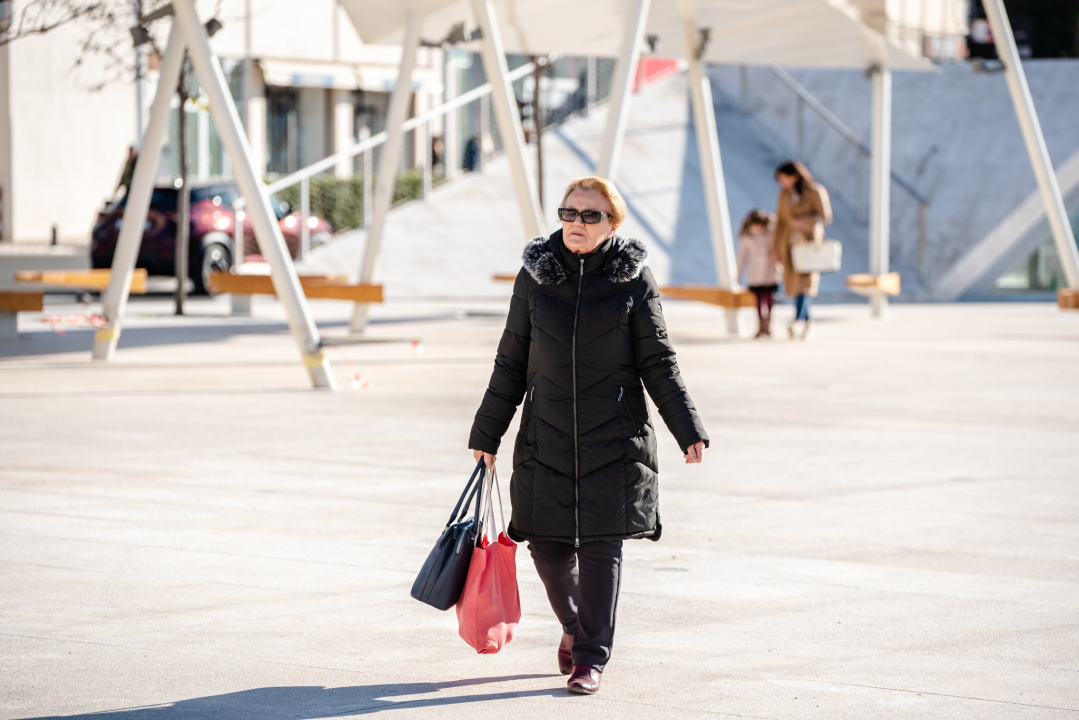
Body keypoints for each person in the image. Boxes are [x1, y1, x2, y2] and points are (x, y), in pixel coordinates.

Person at [469, 176, 709, 696]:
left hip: (615, 436)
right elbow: (511, 359)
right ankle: (575, 625)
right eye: (568, 212)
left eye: (590, 215)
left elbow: (658, 362)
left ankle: (590, 658)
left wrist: (686, 428)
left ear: (613, 224)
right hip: (545, 433)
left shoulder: (633, 280)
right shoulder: (535, 278)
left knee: (603, 547)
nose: (576, 223)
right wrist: (487, 432)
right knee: (548, 549)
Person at [773, 161, 832, 340]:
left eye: (784, 178)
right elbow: (780, 222)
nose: (781, 182)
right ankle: (808, 324)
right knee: (796, 285)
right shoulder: (784, 194)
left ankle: (797, 320)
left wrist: (803, 222)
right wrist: (775, 248)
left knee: (805, 285)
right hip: (788, 244)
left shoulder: (815, 191)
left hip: (808, 243)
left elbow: (825, 216)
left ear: (795, 175)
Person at [736, 209, 781, 338]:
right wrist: (738, 276)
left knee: (770, 298)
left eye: (759, 225)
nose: (757, 228)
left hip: (770, 272)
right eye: (754, 225)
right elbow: (741, 258)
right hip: (755, 273)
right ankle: (761, 324)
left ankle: (768, 324)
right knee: (758, 300)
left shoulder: (771, 235)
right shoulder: (746, 239)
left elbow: (779, 247)